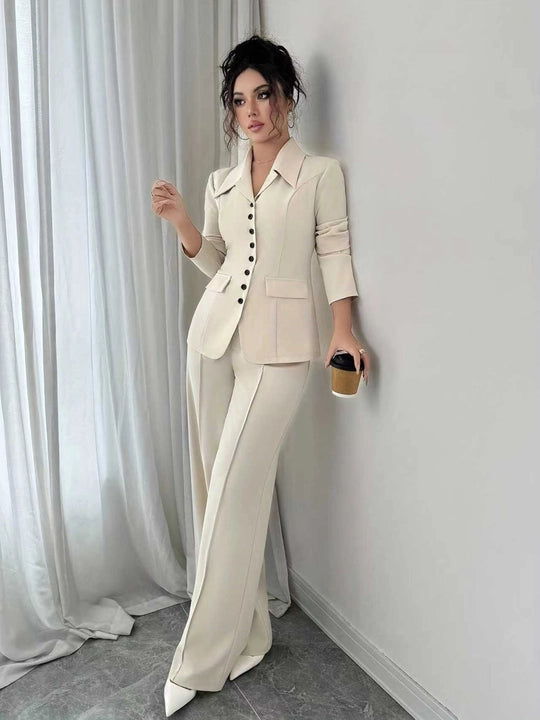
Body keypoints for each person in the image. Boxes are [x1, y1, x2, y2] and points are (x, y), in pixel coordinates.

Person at [150, 34, 370, 716]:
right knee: (213, 490)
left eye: (264, 95)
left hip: (280, 352)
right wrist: (184, 224)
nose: (252, 111)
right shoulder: (221, 182)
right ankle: (248, 632)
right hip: (211, 342)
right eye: (240, 100)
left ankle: (199, 660)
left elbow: (333, 248)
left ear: (286, 99)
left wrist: (343, 328)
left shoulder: (319, 173)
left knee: (232, 494)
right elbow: (218, 263)